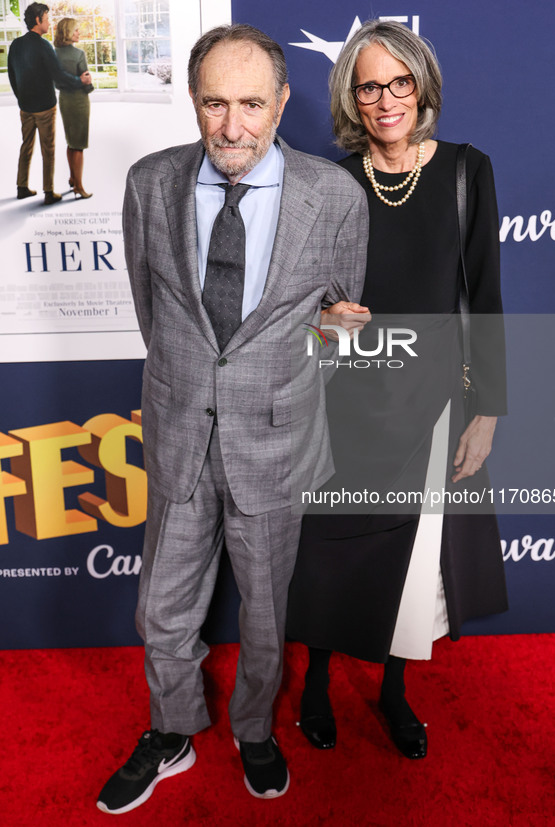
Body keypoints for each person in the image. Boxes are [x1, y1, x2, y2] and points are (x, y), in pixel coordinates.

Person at [96, 23, 368, 815]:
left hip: (276, 438)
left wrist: (326, 331)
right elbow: (157, 314)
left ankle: (254, 727)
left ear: (282, 103)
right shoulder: (151, 182)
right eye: (214, 102)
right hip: (180, 427)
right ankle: (172, 727)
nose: (232, 125)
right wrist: (195, 383)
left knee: (265, 608)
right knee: (163, 606)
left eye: (251, 103)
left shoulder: (334, 195)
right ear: (192, 100)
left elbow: (330, 318)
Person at [287, 19, 508, 759]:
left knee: (413, 567)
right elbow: (297, 304)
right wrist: (322, 316)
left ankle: (390, 692)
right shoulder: (329, 181)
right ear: (352, 96)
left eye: (399, 82)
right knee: (326, 551)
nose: (385, 100)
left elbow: (485, 298)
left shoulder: (465, 171)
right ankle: (315, 682)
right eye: (368, 86)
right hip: (342, 401)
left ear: (421, 85)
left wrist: (488, 411)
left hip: (433, 403)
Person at [7, 2, 92, 205]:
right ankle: (48, 192)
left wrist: (21, 99)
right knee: (48, 149)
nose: (48, 22)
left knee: (26, 146)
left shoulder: (16, 45)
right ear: (37, 21)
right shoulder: (44, 46)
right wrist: (79, 81)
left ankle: (22, 187)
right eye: (46, 19)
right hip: (45, 107)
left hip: (25, 107)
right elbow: (58, 75)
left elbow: (12, 76)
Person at [54, 17, 93, 199]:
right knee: (79, 145)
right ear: (68, 33)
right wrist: (89, 85)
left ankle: (72, 177)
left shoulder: (53, 54)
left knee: (71, 142)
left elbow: (56, 80)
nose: (79, 33)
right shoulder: (78, 55)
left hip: (64, 101)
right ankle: (79, 186)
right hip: (78, 102)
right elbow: (85, 81)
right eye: (76, 30)